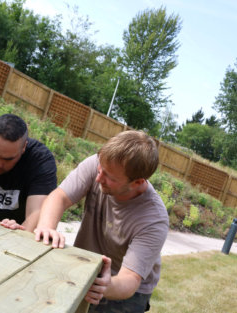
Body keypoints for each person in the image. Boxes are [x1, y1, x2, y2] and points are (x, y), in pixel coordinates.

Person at [34, 130, 169, 313]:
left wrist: (106, 285)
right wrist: (46, 228)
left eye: (109, 178)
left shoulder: (154, 219)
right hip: (85, 267)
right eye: (100, 170)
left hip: (124, 291)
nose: (98, 179)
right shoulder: (102, 165)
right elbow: (60, 197)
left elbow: (129, 279)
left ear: (137, 182)